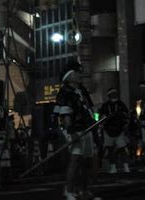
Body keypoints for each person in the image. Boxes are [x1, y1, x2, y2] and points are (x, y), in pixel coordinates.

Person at [54, 67, 100, 200]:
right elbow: (65, 114)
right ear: (68, 78)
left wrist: (94, 123)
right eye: (75, 74)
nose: (78, 75)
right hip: (76, 130)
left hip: (87, 128)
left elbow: (90, 108)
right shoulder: (65, 93)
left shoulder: (81, 90)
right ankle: (68, 190)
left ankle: (83, 190)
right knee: (75, 159)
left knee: (87, 161)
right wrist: (71, 131)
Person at [99, 88, 130, 174]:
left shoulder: (120, 104)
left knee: (122, 149)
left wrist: (125, 126)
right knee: (110, 150)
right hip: (108, 131)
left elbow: (126, 116)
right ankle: (113, 167)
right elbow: (101, 117)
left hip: (119, 130)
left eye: (115, 94)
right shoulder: (105, 106)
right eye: (112, 94)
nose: (114, 95)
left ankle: (126, 166)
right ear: (109, 96)